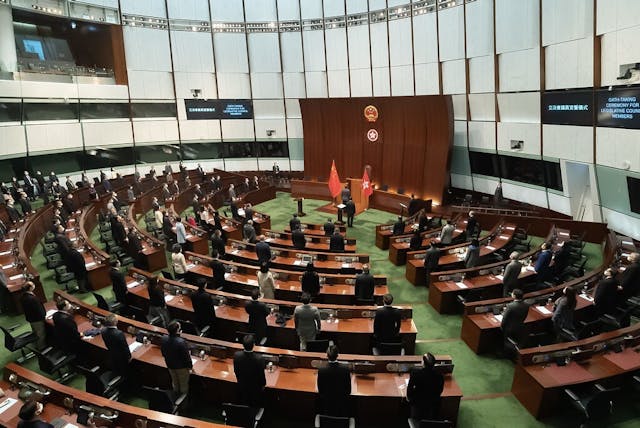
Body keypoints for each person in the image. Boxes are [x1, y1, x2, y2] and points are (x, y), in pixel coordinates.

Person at [407, 353, 445, 420]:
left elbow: (409, 388)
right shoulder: (440, 375)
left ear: (423, 363)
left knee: (416, 420)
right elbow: (440, 390)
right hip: (432, 404)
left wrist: (409, 398)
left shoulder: (416, 373)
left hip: (417, 404)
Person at [317, 345, 351, 417]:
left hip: (327, 406)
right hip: (342, 406)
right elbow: (348, 390)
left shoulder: (321, 370)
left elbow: (320, 391)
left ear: (327, 355)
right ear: (337, 355)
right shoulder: (345, 369)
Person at [233, 335, 266, 406]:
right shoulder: (259, 359)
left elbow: (236, 371)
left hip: (242, 386)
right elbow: (261, 375)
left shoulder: (236, 356)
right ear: (254, 344)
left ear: (243, 345)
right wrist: (263, 384)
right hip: (255, 388)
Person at [161, 321, 192, 395]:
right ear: (177, 331)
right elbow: (186, 357)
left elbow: (163, 353)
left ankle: (175, 399)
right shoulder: (181, 342)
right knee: (183, 386)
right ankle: (182, 404)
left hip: (170, 366)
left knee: (175, 383)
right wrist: (190, 367)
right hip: (181, 368)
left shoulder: (164, 338)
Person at [20, 281, 46, 349]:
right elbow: (38, 310)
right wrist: (44, 316)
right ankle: (41, 348)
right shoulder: (32, 299)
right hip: (37, 319)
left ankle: (38, 345)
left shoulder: (23, 296)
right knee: (40, 335)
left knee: (36, 333)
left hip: (31, 318)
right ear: (30, 288)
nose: (34, 285)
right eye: (32, 285)